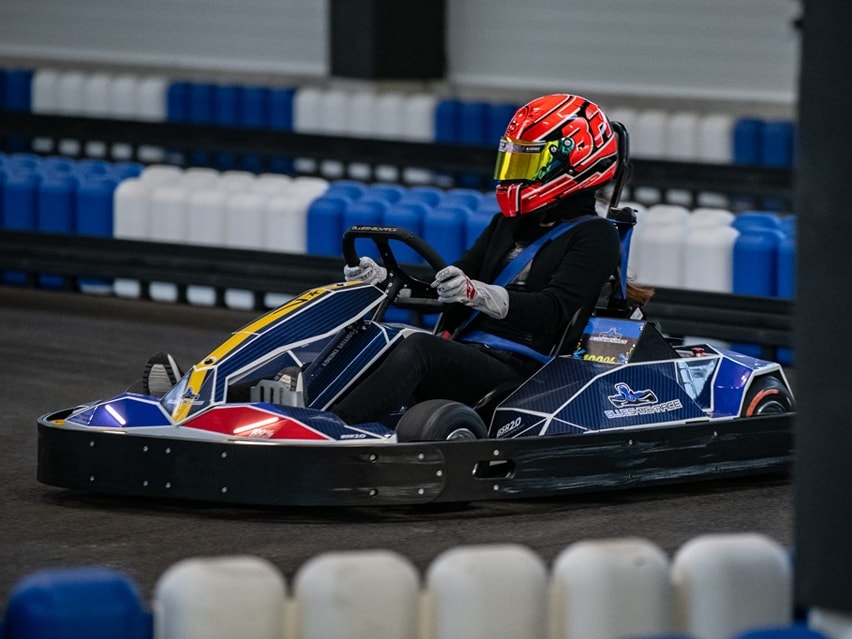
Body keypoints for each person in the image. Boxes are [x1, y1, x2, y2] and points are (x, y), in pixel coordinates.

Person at [330, 93, 639, 426]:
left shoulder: (596, 236)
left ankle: (334, 427)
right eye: (515, 162)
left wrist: (479, 294)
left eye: (528, 164)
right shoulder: (507, 225)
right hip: (470, 352)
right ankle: (307, 412)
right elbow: (447, 290)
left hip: (524, 370)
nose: (515, 175)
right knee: (374, 339)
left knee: (419, 348)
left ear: (573, 163)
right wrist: (384, 282)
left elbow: (552, 312)